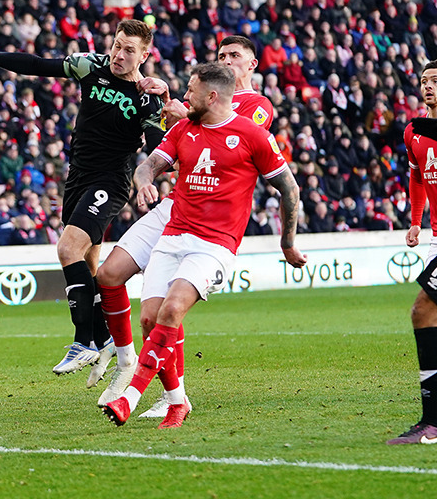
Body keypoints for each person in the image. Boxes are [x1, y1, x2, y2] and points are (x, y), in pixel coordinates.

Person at [0, 20, 165, 377]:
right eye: (117, 45)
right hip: (77, 178)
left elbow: (159, 144)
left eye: (129, 50)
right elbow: (38, 64)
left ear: (144, 55)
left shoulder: (148, 99)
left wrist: (154, 160)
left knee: (67, 249)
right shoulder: (90, 66)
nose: (119, 54)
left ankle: (83, 342)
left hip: (111, 181)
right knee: (92, 265)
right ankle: (107, 340)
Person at [101, 62, 306, 428]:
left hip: (214, 244)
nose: (185, 96)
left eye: (191, 90)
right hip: (173, 234)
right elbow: (149, 166)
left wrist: (287, 242)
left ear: (211, 96)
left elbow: (290, 189)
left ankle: (130, 396)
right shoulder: (182, 129)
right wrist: (145, 181)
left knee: (172, 310)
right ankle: (177, 401)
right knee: (150, 319)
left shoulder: (252, 134)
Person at [389, 60, 437, 444]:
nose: (428, 87)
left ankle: (433, 421)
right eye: (424, 82)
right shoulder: (414, 132)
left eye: (436, 81)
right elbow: (417, 176)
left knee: (423, 310)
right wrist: (416, 220)